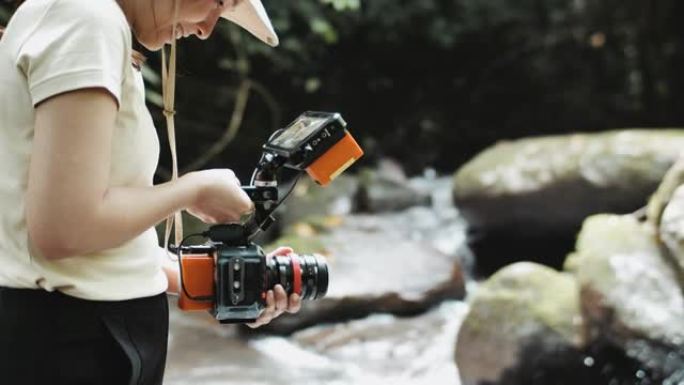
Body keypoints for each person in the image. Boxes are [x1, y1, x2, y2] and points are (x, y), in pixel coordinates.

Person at [0, 0, 300, 384]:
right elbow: (65, 229)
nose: (207, 28)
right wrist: (192, 189)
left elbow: (86, 236)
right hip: (73, 342)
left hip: (80, 336)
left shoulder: (89, 20)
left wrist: (219, 282)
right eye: (218, 3)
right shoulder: (87, 20)